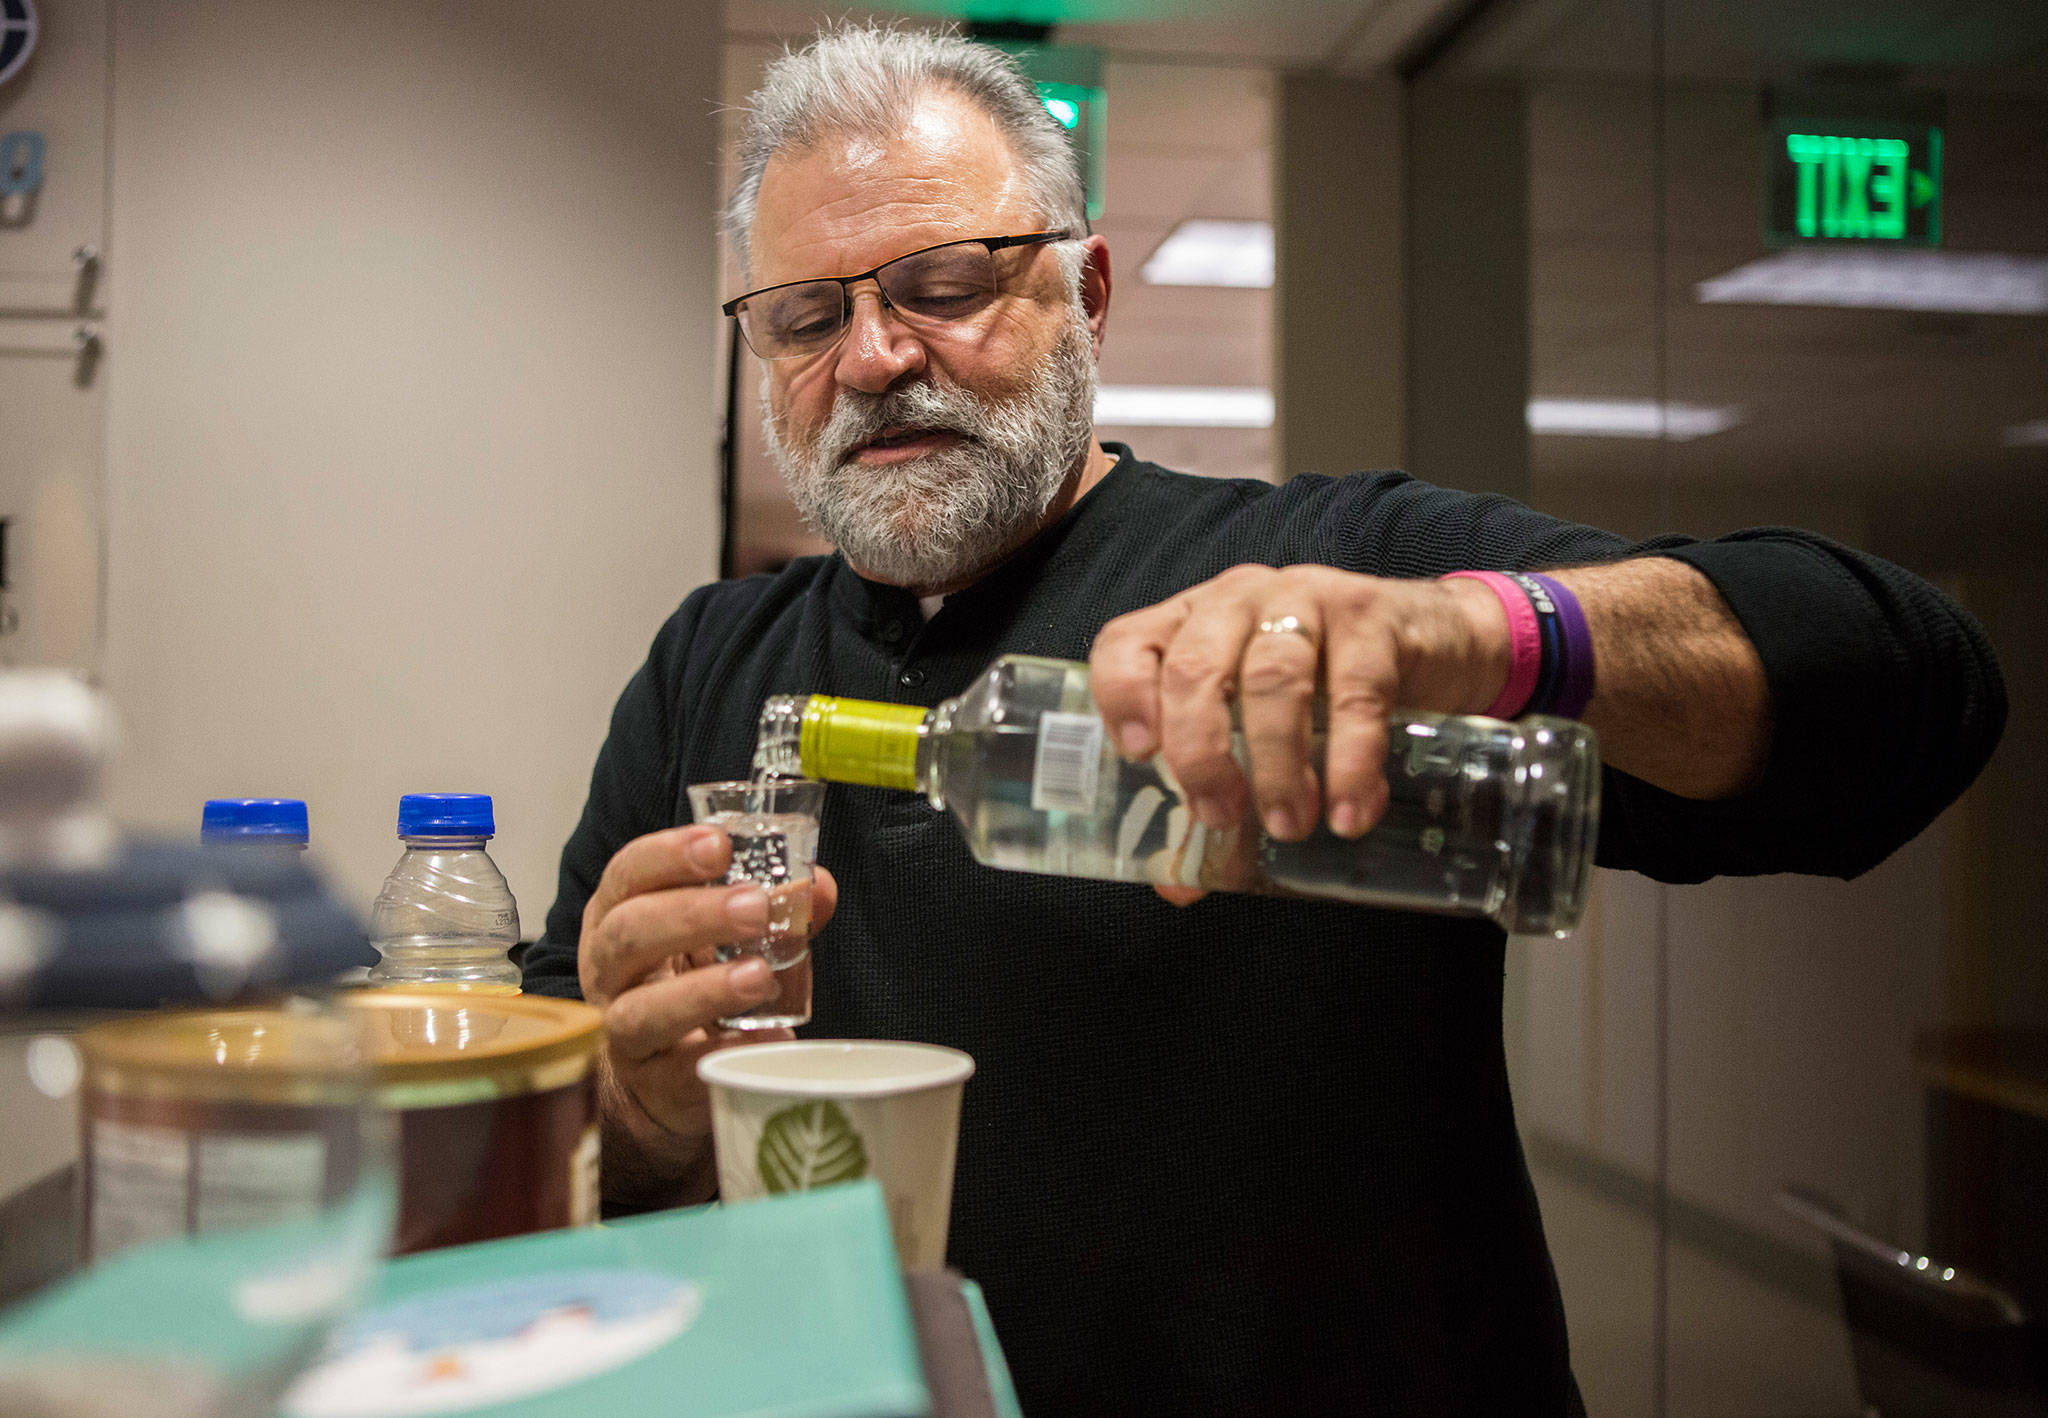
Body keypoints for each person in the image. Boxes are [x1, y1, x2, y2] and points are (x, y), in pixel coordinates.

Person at [521, 25, 2005, 1417]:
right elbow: (567, 1114)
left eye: (944, 283)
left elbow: (1912, 683)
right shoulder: (711, 660)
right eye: (805, 314)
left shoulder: (1333, 571)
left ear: (1086, 291)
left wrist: (1488, 634)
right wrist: (632, 1108)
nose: (870, 357)